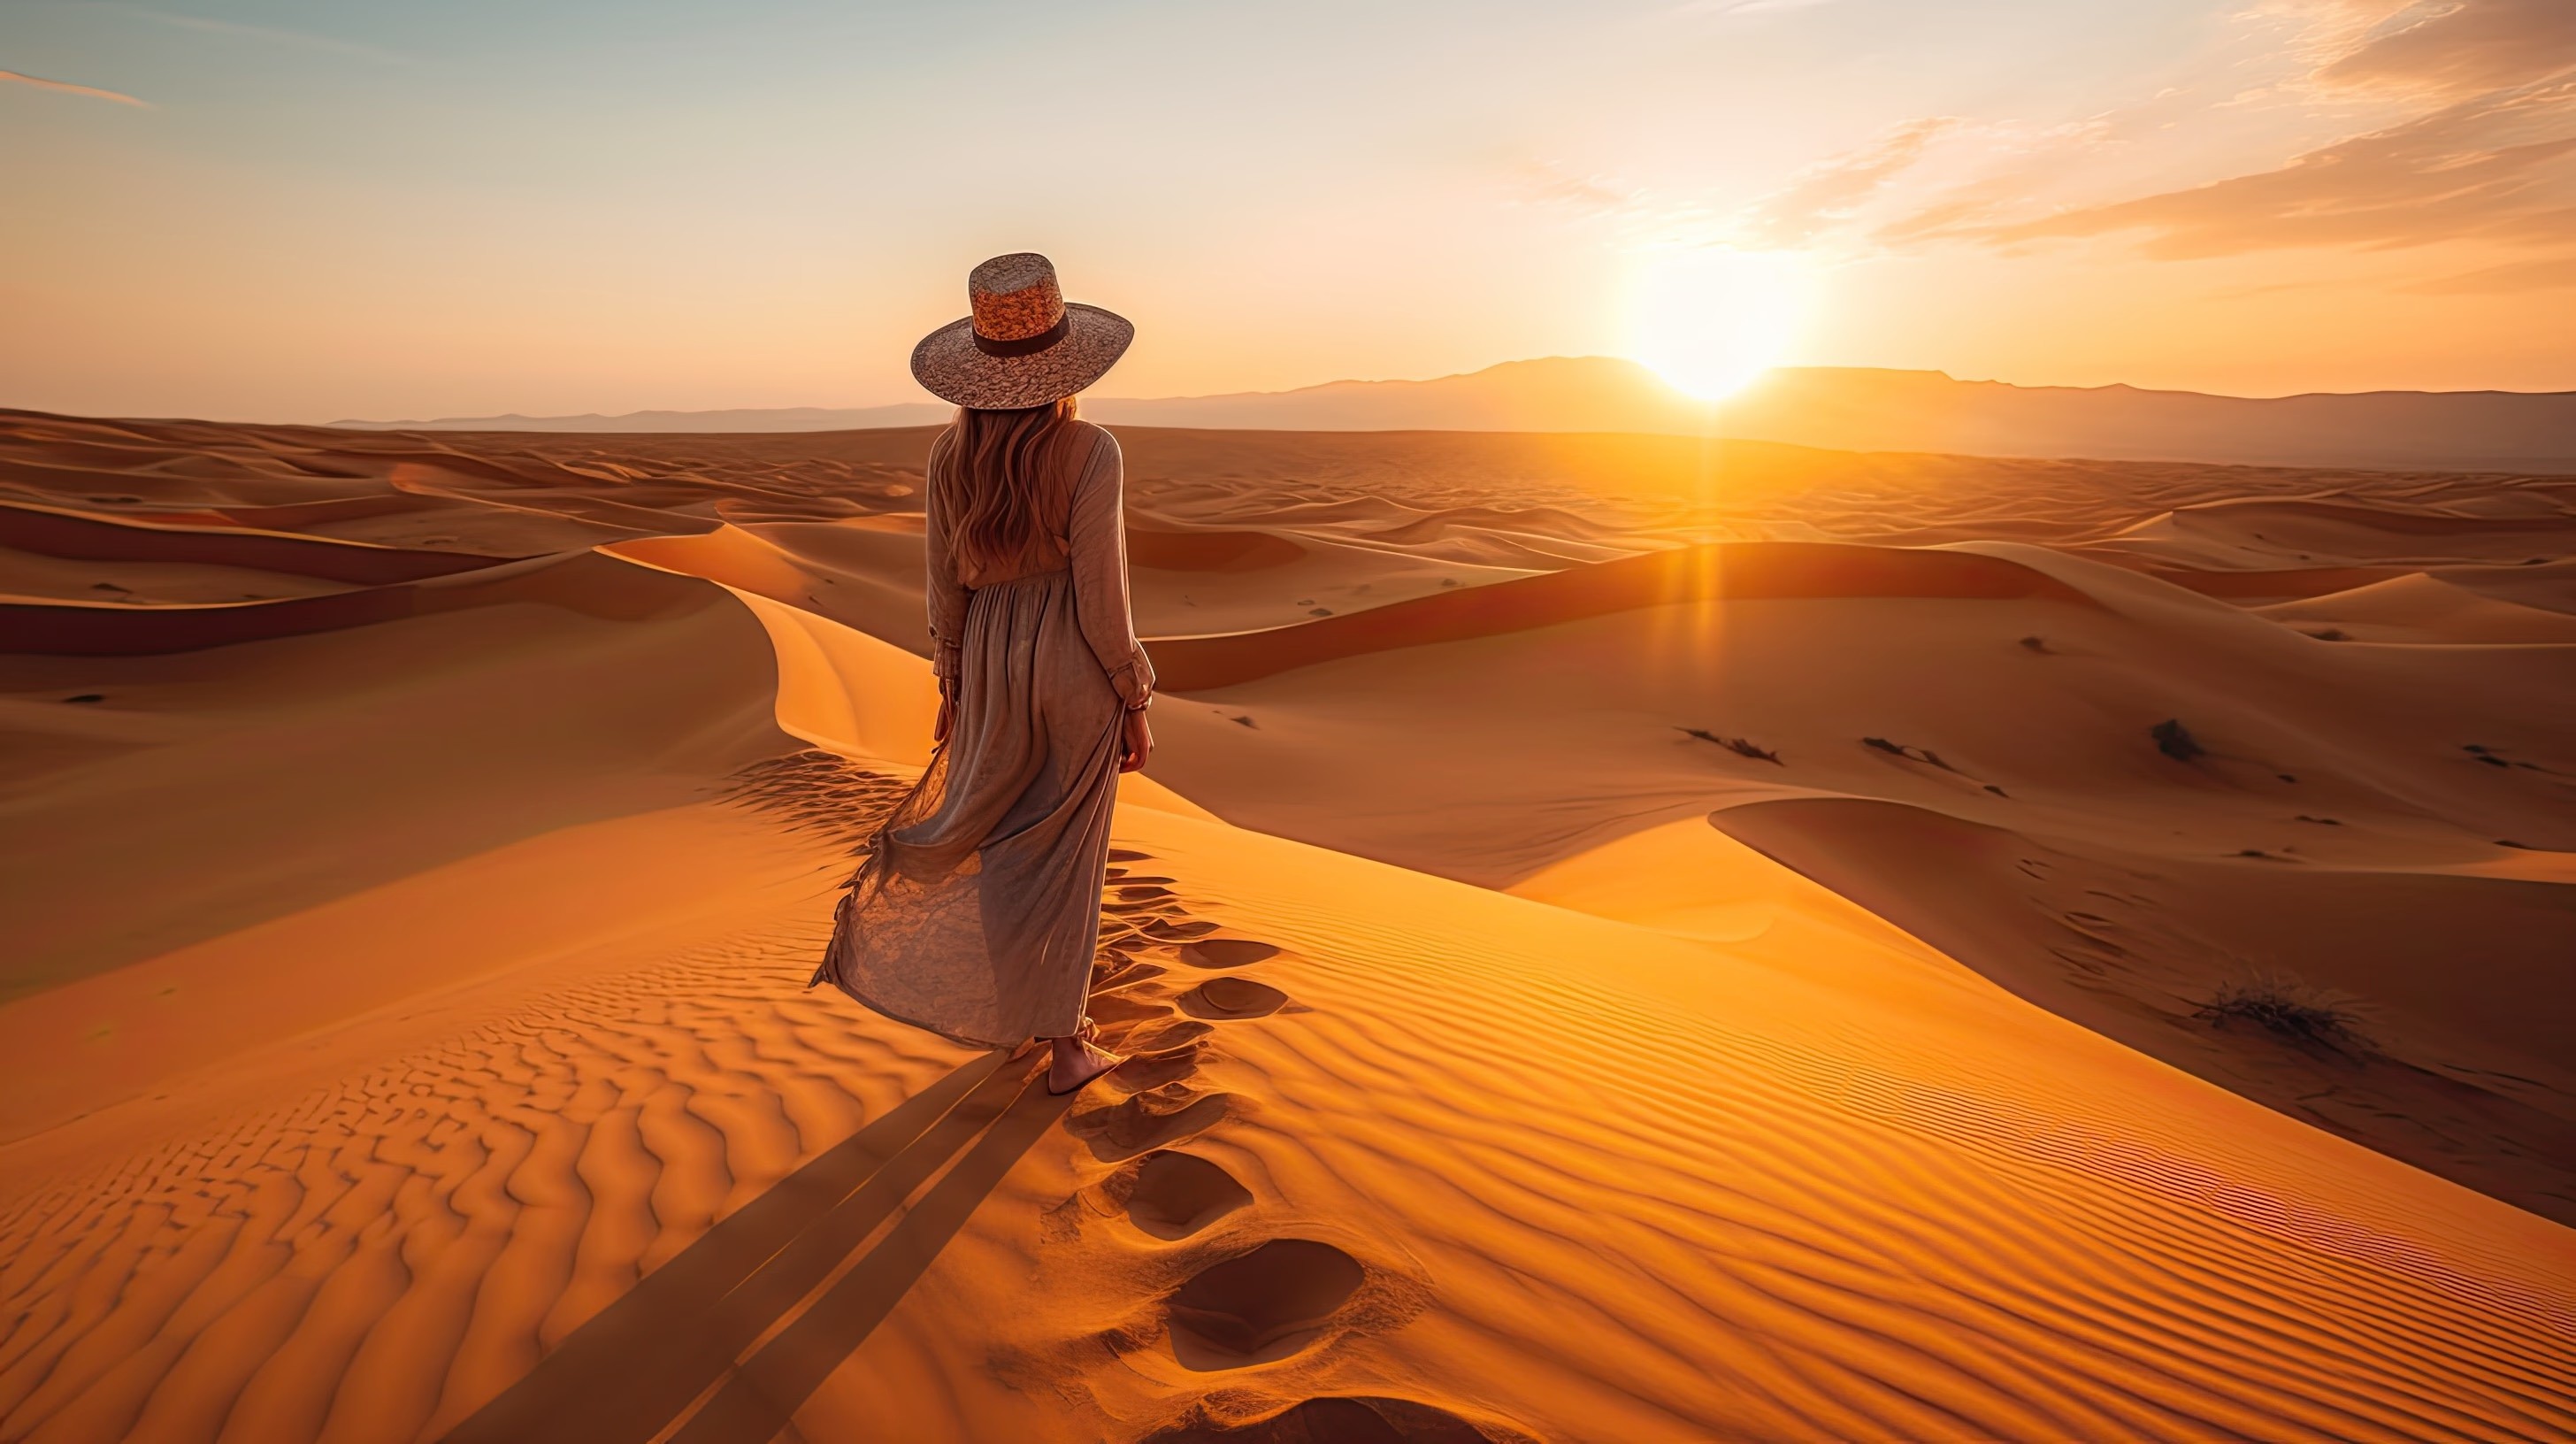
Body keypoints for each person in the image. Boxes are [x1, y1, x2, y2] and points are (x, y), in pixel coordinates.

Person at [813, 252, 1153, 1095]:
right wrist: (1133, 691)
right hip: (1074, 660)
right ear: (1067, 361)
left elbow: (942, 588)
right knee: (1066, 852)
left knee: (1003, 849)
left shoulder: (947, 458)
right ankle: (1068, 1047)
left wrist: (955, 683)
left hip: (992, 664)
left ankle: (1016, 1022)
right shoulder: (1091, 451)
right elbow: (1101, 593)